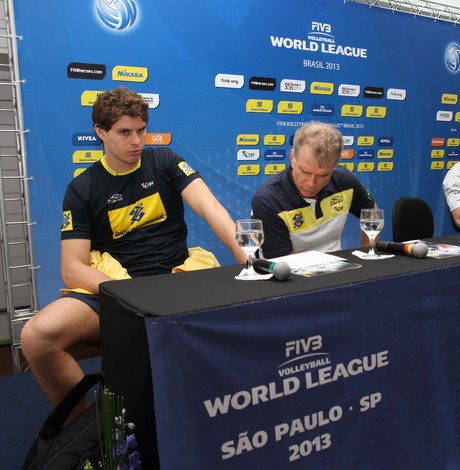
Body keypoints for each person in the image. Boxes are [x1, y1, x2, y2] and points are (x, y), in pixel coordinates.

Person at [20, 86, 247, 417]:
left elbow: (212, 208)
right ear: (101, 132)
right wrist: (126, 296)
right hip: (117, 289)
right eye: (124, 132)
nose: (136, 141)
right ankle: (86, 429)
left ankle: (222, 409)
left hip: (176, 279)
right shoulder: (82, 189)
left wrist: (250, 261)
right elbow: (72, 268)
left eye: (141, 130)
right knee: (36, 337)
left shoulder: (165, 160)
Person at [252, 121, 377, 258]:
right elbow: (284, 263)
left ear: (334, 167)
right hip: (289, 272)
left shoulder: (345, 181)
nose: (311, 184)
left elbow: (372, 213)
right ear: (293, 158)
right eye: (305, 172)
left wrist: (367, 255)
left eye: (322, 175)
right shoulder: (267, 199)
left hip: (337, 270)